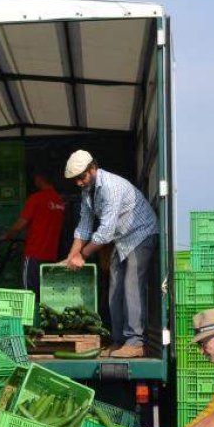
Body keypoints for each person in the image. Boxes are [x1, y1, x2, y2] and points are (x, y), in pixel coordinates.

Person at [60, 149, 158, 358]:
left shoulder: (111, 187)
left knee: (131, 285)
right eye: (75, 179)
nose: (78, 182)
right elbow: (84, 227)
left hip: (141, 233)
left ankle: (136, 342)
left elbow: (104, 232)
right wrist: (72, 255)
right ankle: (118, 341)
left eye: (82, 177)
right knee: (115, 289)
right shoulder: (87, 191)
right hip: (122, 239)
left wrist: (83, 256)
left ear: (93, 168)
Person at [0, 173, 66, 298]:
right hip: (51, 254)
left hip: (34, 253)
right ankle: (42, 317)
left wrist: (8, 235)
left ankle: (32, 317)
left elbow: (20, 224)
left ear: (39, 178)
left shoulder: (36, 198)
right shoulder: (59, 201)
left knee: (29, 294)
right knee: (46, 293)